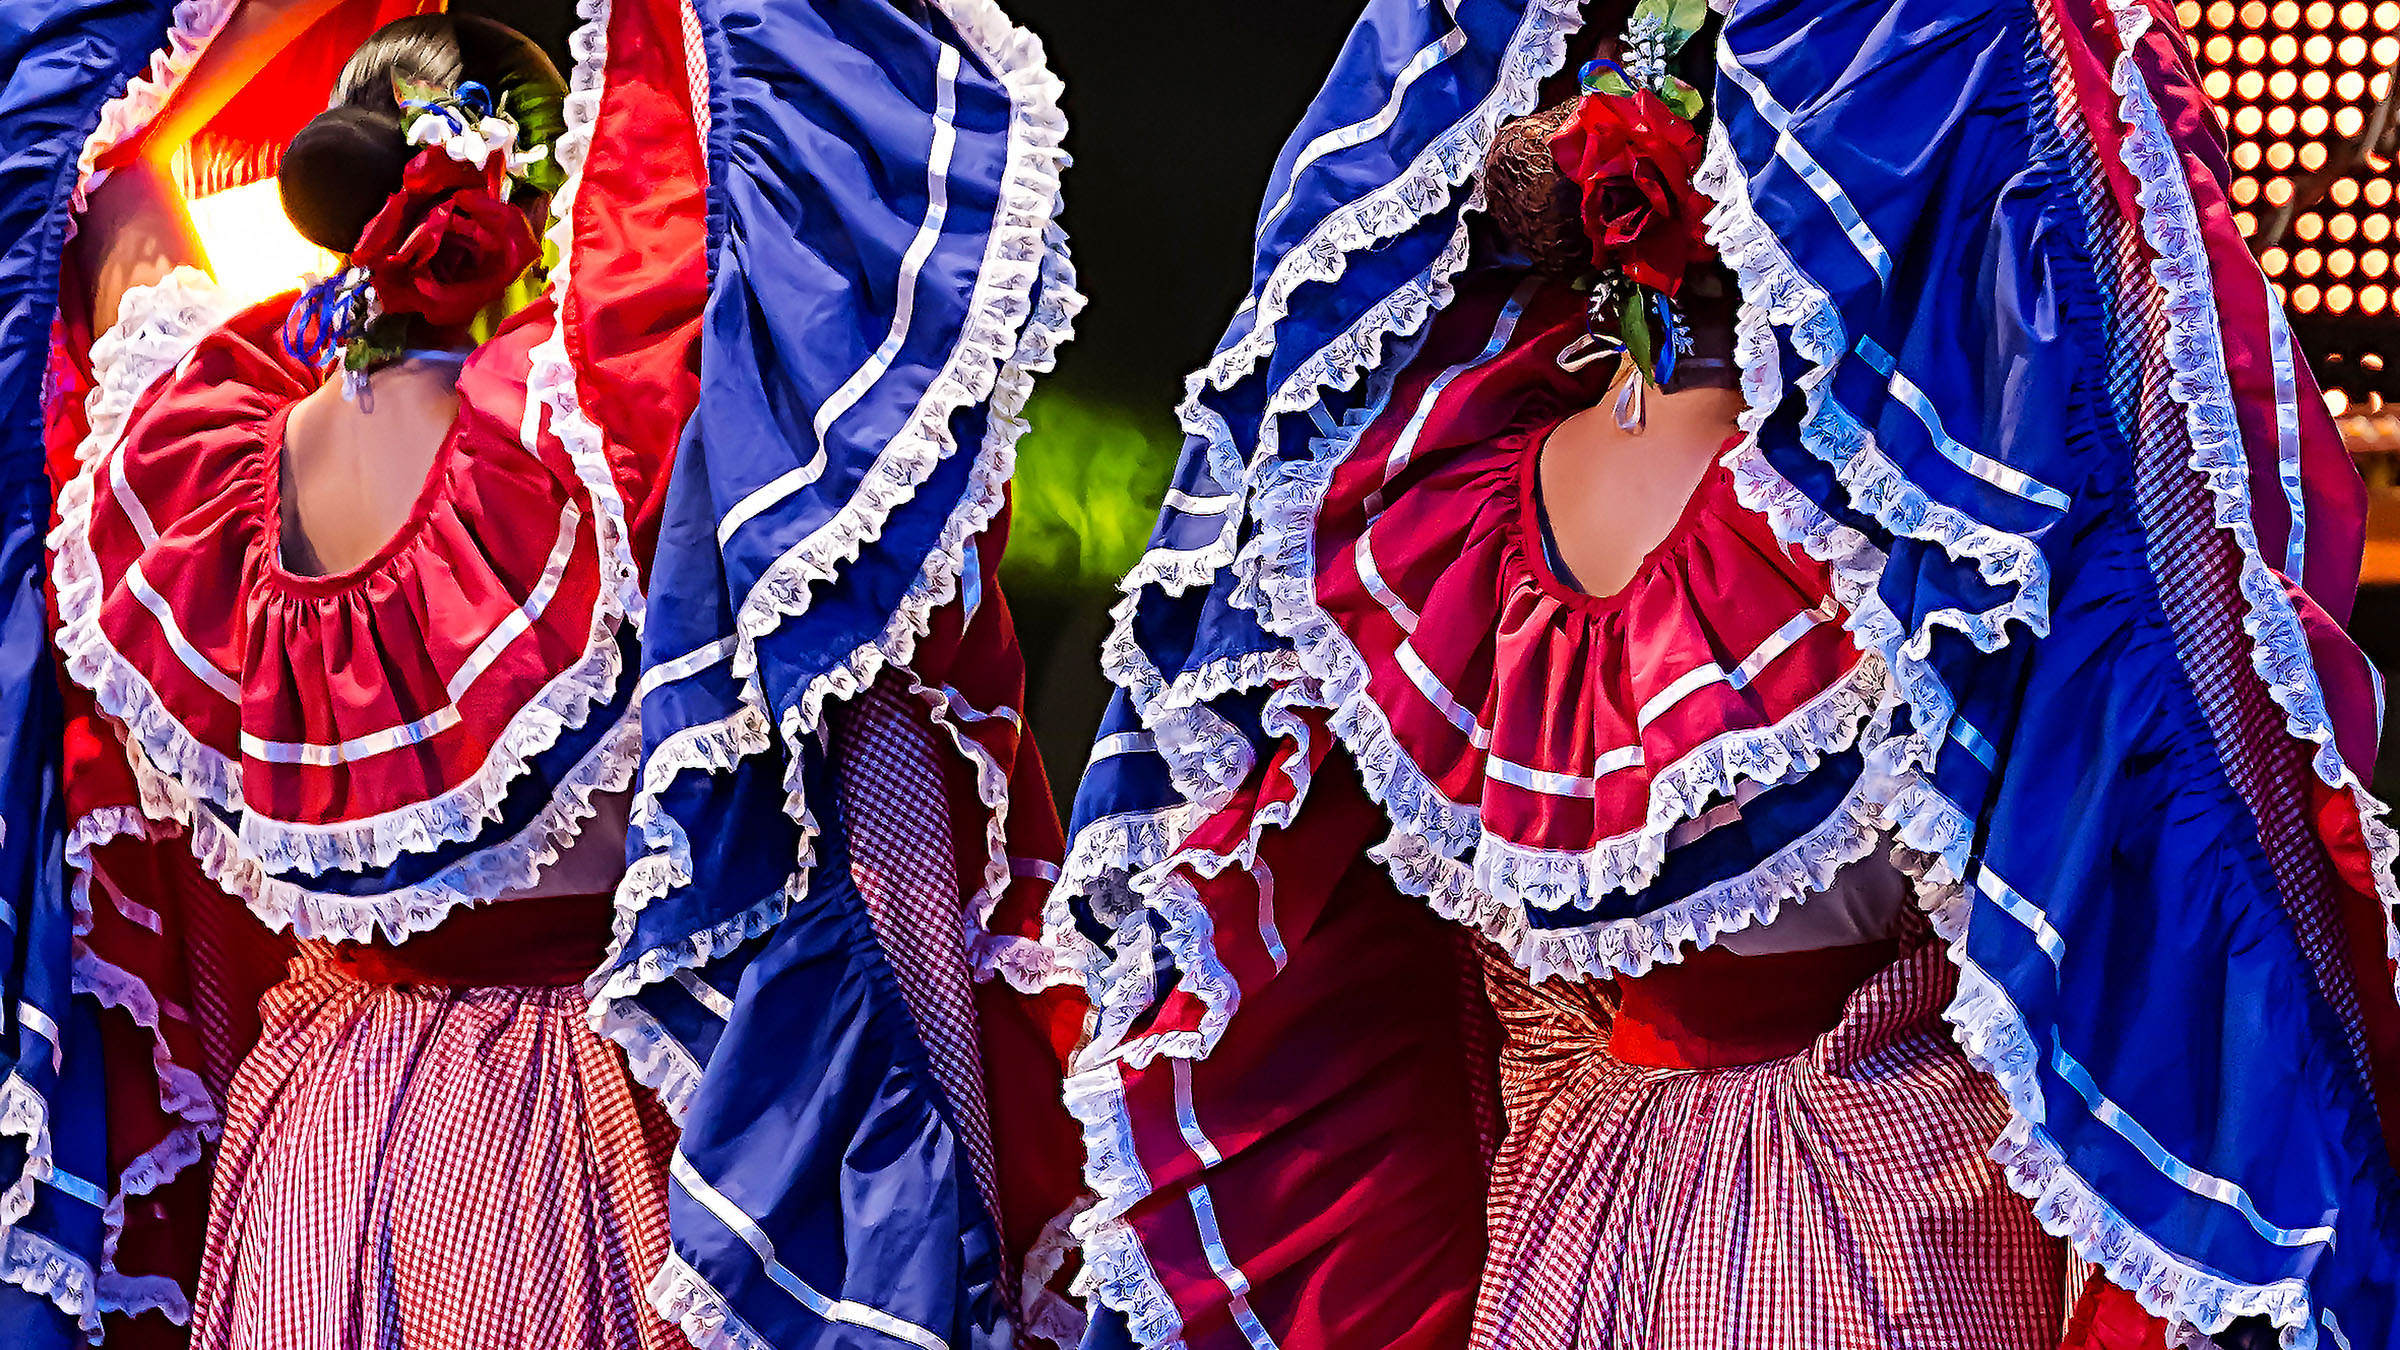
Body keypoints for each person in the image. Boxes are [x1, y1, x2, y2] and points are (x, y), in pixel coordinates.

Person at [1056, 0, 2400, 1347]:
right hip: (1885, 1226)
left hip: (1566, 1227)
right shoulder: (1907, 536)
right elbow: (2121, 933)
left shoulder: (1429, 530)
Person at [15, 1, 1086, 1347]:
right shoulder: (601, 459)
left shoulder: (203, 466)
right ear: (548, 192)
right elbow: (761, 244)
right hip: (561, 1126)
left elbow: (108, 214)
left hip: (311, 1135)